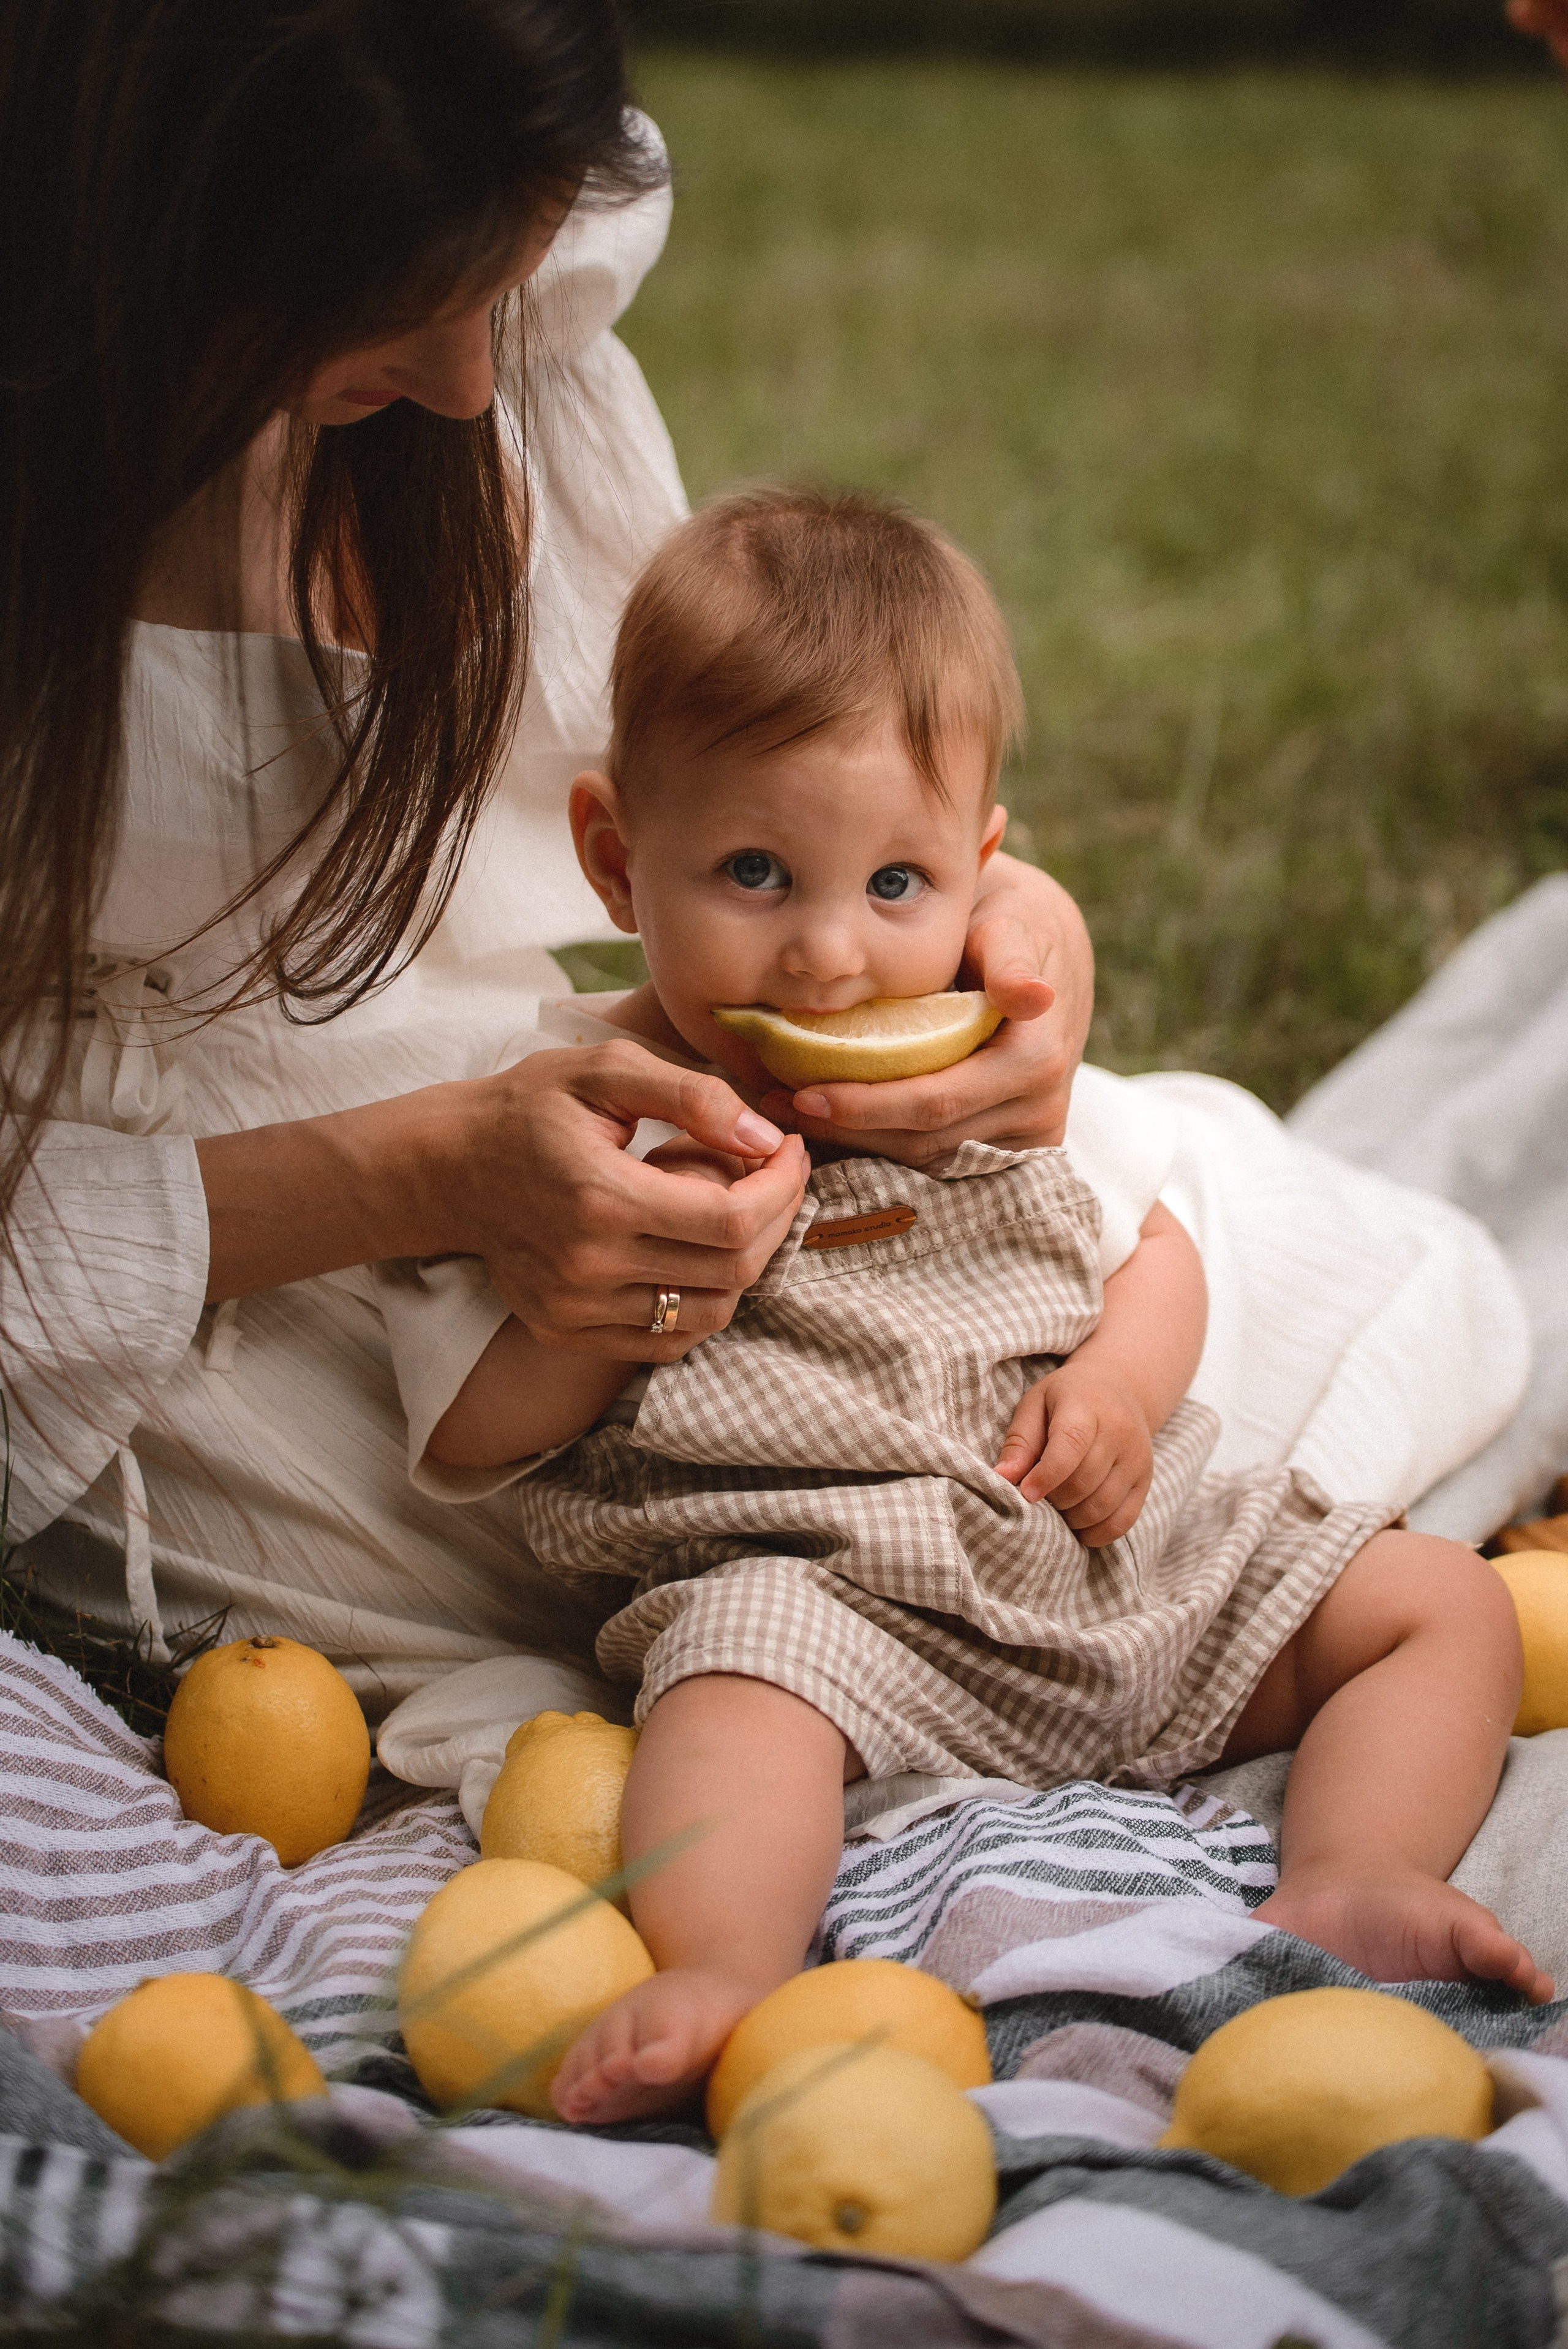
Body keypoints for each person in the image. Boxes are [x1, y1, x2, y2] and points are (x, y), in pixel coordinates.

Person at [388, 489, 1550, 2125]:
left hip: (1102, 1565)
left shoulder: (988, 1068)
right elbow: (465, 1426)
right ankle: (724, 1966)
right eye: (753, 871)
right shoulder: (581, 1122)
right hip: (832, 1607)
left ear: (982, 867)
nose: (828, 958)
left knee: (1443, 1602)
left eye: (894, 883)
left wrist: (1126, 1396)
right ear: (611, 852)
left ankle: (1351, 1874)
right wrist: (613, 1308)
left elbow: (1151, 1248)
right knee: (731, 1704)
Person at [0, 0, 1096, 1710]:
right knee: (744, 1563)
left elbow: (737, 777)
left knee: (1196, 1303)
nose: (466, 386)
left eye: (491, 293)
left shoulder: (497, 292)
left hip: (570, 1092)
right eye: (392, 309)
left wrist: (1003, 932)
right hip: (171, 1263)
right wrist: (427, 1181)